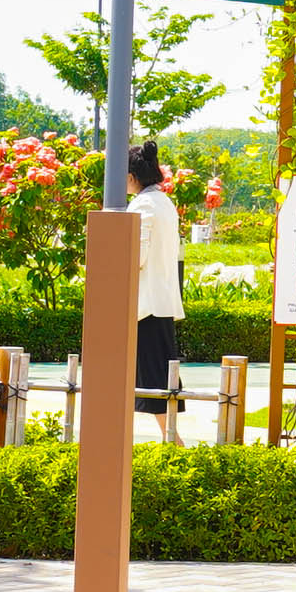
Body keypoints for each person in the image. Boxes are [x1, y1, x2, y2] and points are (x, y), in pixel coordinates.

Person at [128, 142, 184, 440]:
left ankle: (172, 438)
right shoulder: (164, 202)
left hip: (146, 302)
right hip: (161, 299)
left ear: (131, 176)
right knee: (161, 370)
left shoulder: (142, 205)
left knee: (152, 374)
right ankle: (170, 436)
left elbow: (135, 256)